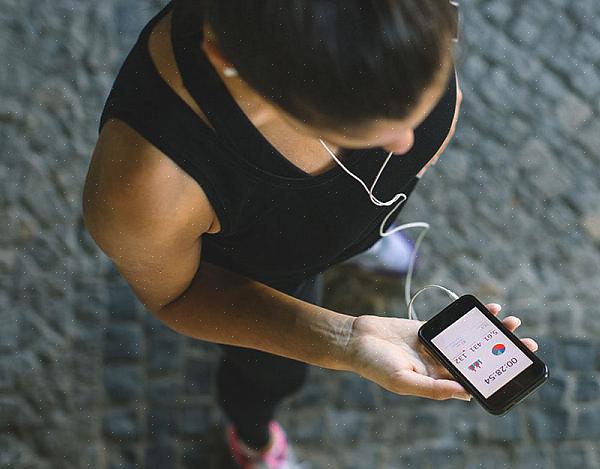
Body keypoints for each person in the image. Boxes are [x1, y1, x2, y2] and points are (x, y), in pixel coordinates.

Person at [82, 0, 538, 467]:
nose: (407, 142)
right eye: (355, 123)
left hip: (346, 216)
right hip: (266, 280)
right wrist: (346, 339)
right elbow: (176, 296)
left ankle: (355, 237)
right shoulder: (144, 188)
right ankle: (254, 441)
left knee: (339, 225)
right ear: (229, 63)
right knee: (269, 379)